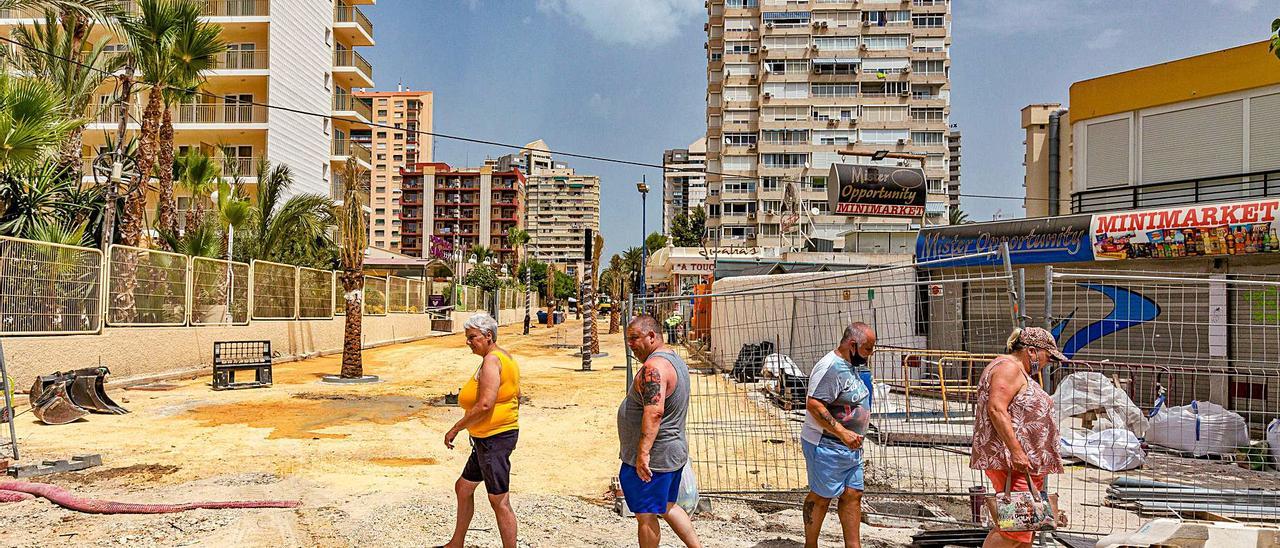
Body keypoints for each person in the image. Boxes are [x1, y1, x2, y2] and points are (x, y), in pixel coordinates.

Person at [970, 327, 1067, 548]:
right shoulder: (1008, 368)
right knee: (1015, 529)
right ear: (1032, 351)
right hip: (1013, 463)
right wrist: (1016, 451)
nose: (1048, 362)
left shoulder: (1014, 369)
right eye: (1047, 356)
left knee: (1025, 527)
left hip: (1023, 463)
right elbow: (996, 408)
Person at [617, 315, 702, 548]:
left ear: (652, 336)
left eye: (634, 338)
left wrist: (643, 454)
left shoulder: (653, 368)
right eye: (628, 339)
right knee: (666, 505)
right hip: (670, 451)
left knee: (646, 516)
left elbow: (654, 412)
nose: (630, 344)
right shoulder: (673, 359)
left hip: (654, 457)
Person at [441, 312, 521, 548]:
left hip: (493, 439)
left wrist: (456, 428)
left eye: (472, 337)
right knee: (463, 487)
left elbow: (485, 404)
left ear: (488, 336)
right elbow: (516, 394)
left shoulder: (492, 360)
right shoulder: (502, 357)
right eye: (467, 337)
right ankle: (456, 543)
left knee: (499, 499)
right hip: (486, 438)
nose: (468, 342)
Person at [802, 322, 877, 548]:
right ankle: (811, 545)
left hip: (850, 447)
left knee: (853, 494)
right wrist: (843, 432)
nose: (869, 356)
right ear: (852, 345)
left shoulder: (852, 365)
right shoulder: (831, 367)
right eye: (867, 350)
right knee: (821, 497)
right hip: (826, 444)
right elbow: (814, 405)